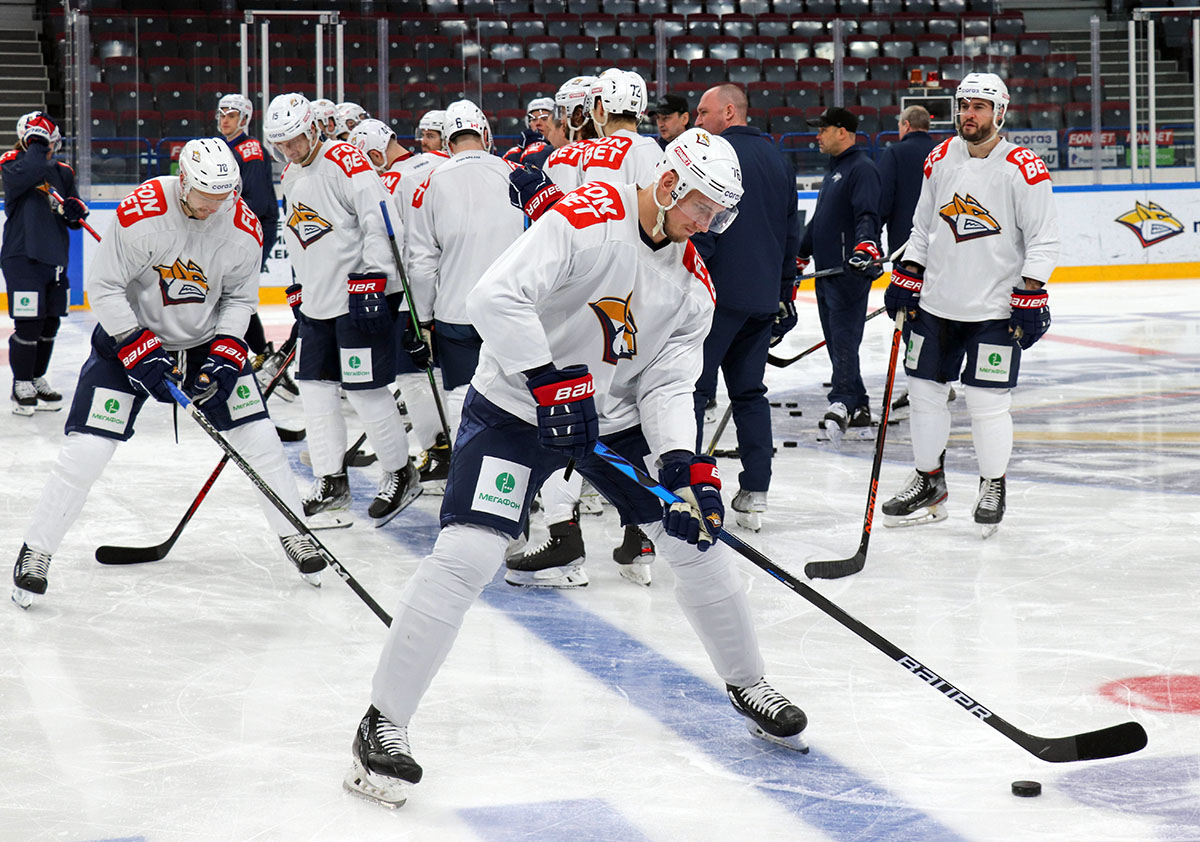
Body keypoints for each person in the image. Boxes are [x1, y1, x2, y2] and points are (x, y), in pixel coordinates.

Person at [343, 128, 808, 809]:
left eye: (716, 214)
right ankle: (382, 722)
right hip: (514, 408)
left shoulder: (692, 283)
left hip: (608, 419)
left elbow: (670, 384)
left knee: (694, 541)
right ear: (672, 182)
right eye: (701, 206)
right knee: (467, 554)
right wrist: (548, 380)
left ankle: (748, 681)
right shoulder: (589, 215)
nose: (705, 225)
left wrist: (682, 461)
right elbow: (494, 298)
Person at [11, 138, 326, 608]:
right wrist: (135, 343)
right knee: (87, 452)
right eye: (206, 196)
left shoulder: (242, 226)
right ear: (183, 182)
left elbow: (240, 299)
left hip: (205, 346)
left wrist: (228, 348)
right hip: (129, 343)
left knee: (261, 442)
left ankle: (294, 533)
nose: (215, 206)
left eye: (225, 196)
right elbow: (104, 285)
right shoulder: (143, 213)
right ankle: (36, 550)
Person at [880, 73, 1057, 538]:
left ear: (1000, 112)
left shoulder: (1024, 167)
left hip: (995, 310)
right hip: (937, 304)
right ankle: (928, 480)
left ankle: (993, 484)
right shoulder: (940, 157)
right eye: (963, 106)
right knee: (923, 394)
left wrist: (1031, 292)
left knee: (986, 403)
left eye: (979, 107)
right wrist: (907, 275)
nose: (969, 115)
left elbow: (1043, 240)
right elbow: (922, 228)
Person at [504, 68, 661, 589]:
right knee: (620, 414)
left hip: (570, 303)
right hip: (628, 301)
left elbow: (547, 233)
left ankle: (565, 537)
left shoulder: (565, 159)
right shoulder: (649, 152)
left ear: (590, 110)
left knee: (566, 414)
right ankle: (641, 529)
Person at [264, 92, 421, 528]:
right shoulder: (291, 174)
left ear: (313, 127)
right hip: (318, 303)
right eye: (281, 145)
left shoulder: (345, 159)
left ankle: (400, 472)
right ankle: (331, 481)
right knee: (315, 392)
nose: (290, 150)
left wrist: (375, 278)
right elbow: (299, 236)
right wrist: (298, 284)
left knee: (366, 391)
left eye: (295, 139)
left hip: (359, 300)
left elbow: (382, 220)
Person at [691, 84, 800, 532]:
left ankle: (690, 485)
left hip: (718, 298)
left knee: (693, 393)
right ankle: (756, 491)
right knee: (749, 394)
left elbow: (706, 224)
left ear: (729, 111)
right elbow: (792, 229)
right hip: (761, 299)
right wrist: (784, 294)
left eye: (703, 112)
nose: (697, 121)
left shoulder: (718, 154)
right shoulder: (778, 157)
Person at [405, 100, 525, 492]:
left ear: (449, 139)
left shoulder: (432, 181)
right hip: (509, 310)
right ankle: (518, 484)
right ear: (485, 134)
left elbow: (422, 264)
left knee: (461, 398)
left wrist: (421, 319)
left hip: (456, 311)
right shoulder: (514, 173)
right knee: (516, 400)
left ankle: (472, 482)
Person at [347, 117, 449, 486]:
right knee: (450, 379)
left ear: (375, 153)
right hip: (456, 286)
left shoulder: (390, 180)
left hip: (416, 293)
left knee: (413, 376)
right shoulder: (439, 162)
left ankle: (440, 453)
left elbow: (397, 247)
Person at [797, 106, 882, 438]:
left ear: (842, 132)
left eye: (823, 129)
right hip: (826, 273)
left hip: (848, 271)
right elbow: (820, 221)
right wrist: (801, 253)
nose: (817, 136)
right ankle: (859, 403)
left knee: (844, 339)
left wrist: (866, 246)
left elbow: (867, 216)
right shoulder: (836, 171)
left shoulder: (862, 169)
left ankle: (842, 400)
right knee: (836, 340)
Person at [2, 111, 87, 415]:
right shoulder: (12, 163)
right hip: (22, 258)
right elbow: (32, 168)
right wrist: (37, 139)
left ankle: (36, 377)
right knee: (29, 324)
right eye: (39, 140)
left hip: (55, 261)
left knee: (50, 323)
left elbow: (73, 215)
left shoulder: (63, 172)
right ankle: (20, 383)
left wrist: (76, 212)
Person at [215, 94, 296, 401]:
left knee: (235, 294)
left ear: (245, 119)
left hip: (253, 231)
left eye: (232, 115)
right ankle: (261, 354)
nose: (225, 120)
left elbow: (258, 202)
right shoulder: (225, 147)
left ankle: (264, 357)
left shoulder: (249, 149)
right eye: (222, 115)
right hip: (237, 231)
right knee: (229, 293)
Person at [877, 105, 942, 421]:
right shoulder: (945, 152)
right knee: (942, 309)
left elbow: (883, 200)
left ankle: (921, 379)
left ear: (905, 125)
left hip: (907, 250)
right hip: (947, 249)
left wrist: (873, 242)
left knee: (910, 313)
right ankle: (943, 374)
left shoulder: (894, 153)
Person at [501, 97, 553, 167]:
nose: (538, 123)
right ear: (527, 122)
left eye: (544, 119)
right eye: (534, 119)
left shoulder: (562, 149)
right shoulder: (513, 155)